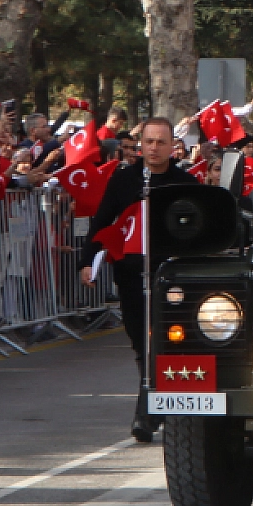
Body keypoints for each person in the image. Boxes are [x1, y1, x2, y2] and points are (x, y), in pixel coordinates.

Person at [80, 117, 197, 442]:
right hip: (131, 275)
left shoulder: (185, 182)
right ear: (140, 144)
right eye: (149, 142)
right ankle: (152, 405)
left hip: (171, 278)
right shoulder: (124, 180)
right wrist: (87, 260)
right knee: (140, 342)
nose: (155, 148)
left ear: (173, 146)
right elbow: (103, 221)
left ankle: (146, 414)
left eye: (161, 142)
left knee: (161, 343)